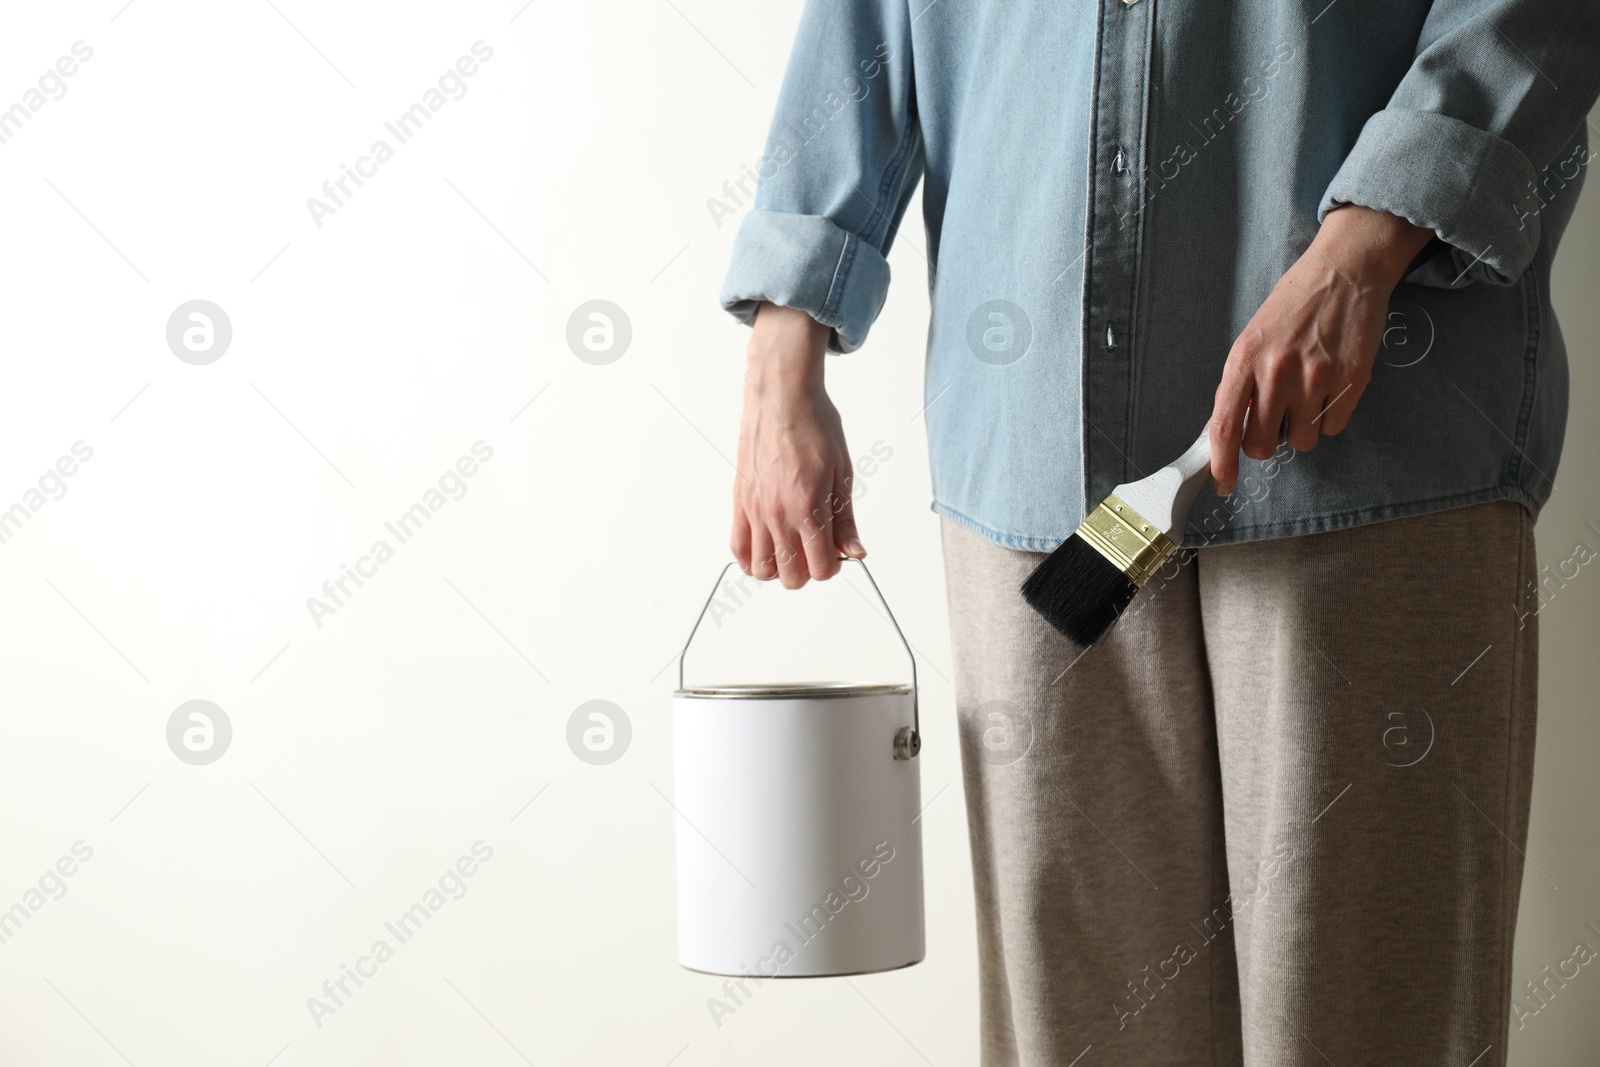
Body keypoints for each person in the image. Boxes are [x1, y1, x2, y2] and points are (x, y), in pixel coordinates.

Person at [717, 2, 1599, 1064]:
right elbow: (860, 35)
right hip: (1029, 461)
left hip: (1374, 439)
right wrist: (782, 352)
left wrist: (1366, 241)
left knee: (1369, 1022)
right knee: (1081, 1034)